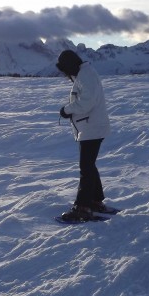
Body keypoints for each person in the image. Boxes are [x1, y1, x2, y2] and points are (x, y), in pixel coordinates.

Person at [56, 50, 111, 222]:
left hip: (92, 127)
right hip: (90, 127)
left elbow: (87, 102)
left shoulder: (86, 75)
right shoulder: (84, 74)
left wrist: (67, 110)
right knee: (89, 165)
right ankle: (95, 201)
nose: (66, 75)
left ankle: (83, 207)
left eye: (65, 70)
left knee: (86, 168)